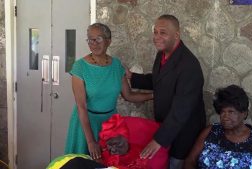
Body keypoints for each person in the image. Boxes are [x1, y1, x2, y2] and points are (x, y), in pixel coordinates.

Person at [64, 23, 153, 161]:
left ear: (108, 41)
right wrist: (90, 141)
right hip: (86, 125)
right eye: (90, 39)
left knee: (108, 163)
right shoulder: (79, 67)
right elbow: (81, 106)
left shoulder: (117, 65)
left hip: (110, 125)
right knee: (83, 163)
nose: (93, 43)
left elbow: (128, 95)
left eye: (98, 39)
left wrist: (154, 96)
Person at [127, 14, 206, 169]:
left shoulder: (189, 65)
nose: (157, 37)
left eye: (162, 32)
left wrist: (158, 140)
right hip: (165, 127)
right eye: (155, 32)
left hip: (182, 133)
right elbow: (159, 80)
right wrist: (132, 77)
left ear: (176, 35)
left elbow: (181, 110)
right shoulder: (162, 54)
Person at [184, 85, 252, 169]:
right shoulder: (211, 131)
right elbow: (190, 161)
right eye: (222, 111)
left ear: (244, 113)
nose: (225, 116)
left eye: (231, 112)